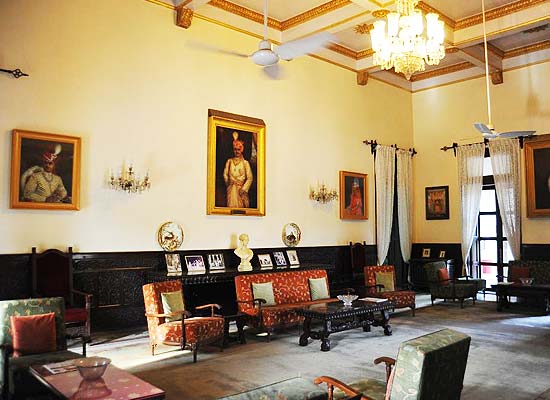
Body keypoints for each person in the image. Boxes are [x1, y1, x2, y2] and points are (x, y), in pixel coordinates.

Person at [223, 132, 253, 208]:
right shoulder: (229, 161)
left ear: (241, 149)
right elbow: (225, 175)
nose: (237, 151)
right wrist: (230, 184)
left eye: (238, 149)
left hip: (241, 191)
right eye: (235, 149)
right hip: (231, 190)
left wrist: (243, 189)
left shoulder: (245, 163)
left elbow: (250, 178)